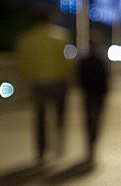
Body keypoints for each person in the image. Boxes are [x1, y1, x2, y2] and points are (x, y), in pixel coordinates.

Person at [14, 9, 75, 163]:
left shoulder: (27, 38)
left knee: (39, 118)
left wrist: (31, 76)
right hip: (58, 82)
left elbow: (21, 63)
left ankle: (41, 150)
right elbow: (69, 61)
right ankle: (59, 145)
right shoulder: (61, 37)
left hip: (38, 83)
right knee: (60, 116)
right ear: (51, 19)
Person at [77, 35, 110, 164]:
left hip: (88, 95)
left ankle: (90, 145)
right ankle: (92, 145)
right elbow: (106, 80)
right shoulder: (101, 61)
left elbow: (79, 78)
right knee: (96, 121)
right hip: (98, 96)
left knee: (88, 121)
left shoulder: (84, 61)